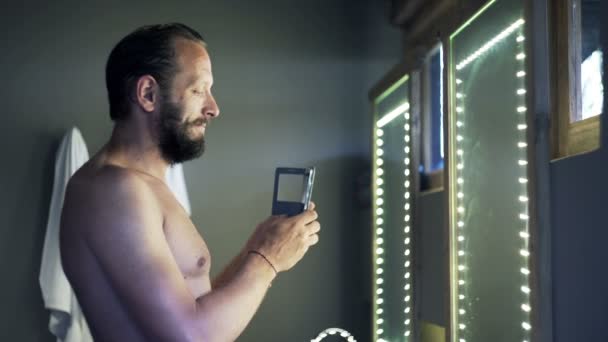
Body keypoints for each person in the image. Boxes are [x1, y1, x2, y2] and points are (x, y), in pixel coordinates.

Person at [59, 23, 321, 342]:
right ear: (148, 94)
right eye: (198, 90)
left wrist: (256, 248)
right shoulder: (116, 190)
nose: (213, 108)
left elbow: (196, 307)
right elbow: (190, 337)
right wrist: (268, 258)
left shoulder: (141, 186)